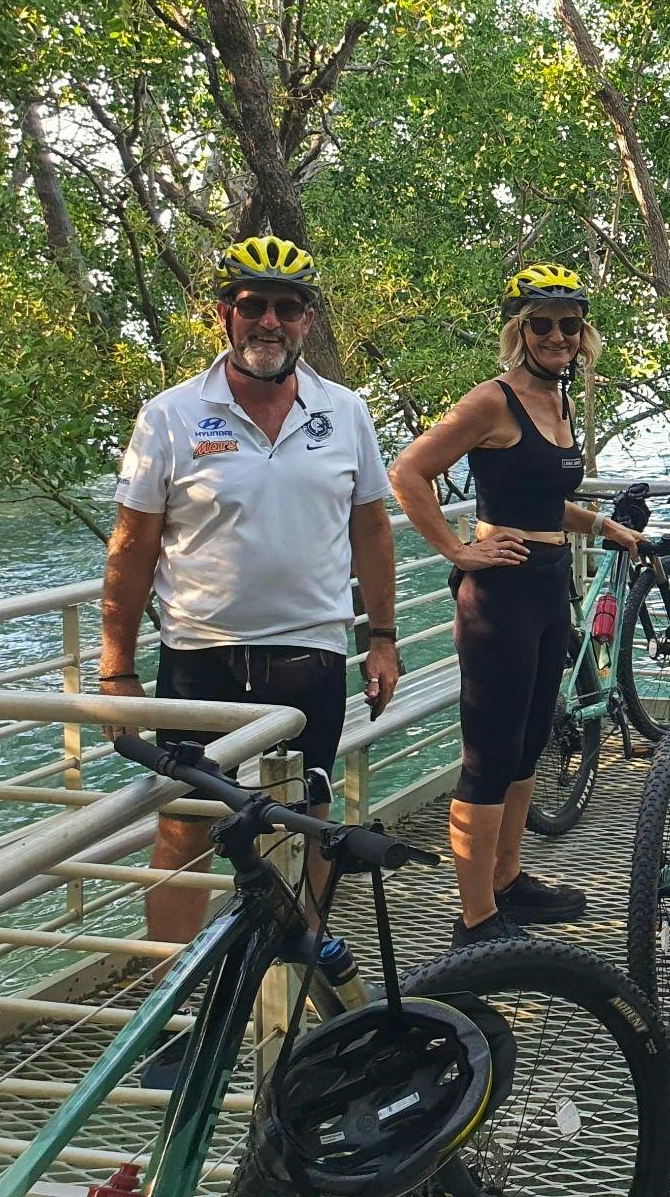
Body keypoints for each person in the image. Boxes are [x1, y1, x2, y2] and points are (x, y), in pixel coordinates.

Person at [98, 237, 401, 963]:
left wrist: (383, 637)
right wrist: (115, 674)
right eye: (252, 306)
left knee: (311, 820)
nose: (270, 322)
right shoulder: (169, 415)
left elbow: (371, 530)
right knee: (185, 827)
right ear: (224, 316)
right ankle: (171, 1008)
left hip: (312, 654)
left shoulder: (345, 411)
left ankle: (302, 973)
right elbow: (132, 549)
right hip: (200, 661)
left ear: (307, 319)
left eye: (287, 308)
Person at [388, 263, 641, 947]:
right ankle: (476, 922)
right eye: (542, 324)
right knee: (490, 753)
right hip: (498, 592)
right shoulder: (490, 401)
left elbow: (536, 499)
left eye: (569, 324)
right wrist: (457, 550)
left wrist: (602, 526)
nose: (557, 335)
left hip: (548, 580)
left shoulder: (556, 400)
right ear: (519, 331)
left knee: (531, 739)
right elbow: (407, 472)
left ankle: (508, 881)